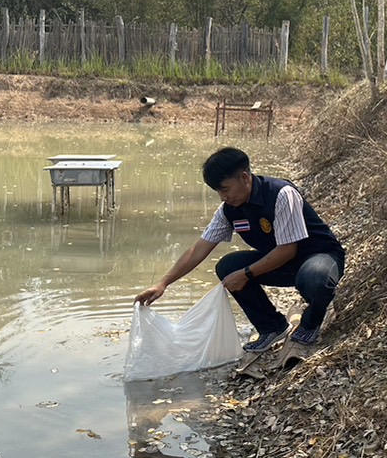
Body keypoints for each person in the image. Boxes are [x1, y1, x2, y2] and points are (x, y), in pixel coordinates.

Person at [134, 147, 346, 352]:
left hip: (320, 256)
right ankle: (272, 327)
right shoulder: (229, 210)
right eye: (218, 191)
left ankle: (311, 323)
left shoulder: (281, 194)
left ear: (244, 178)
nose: (222, 196)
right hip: (283, 262)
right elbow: (199, 248)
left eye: (225, 189)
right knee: (228, 266)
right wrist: (163, 283)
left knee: (315, 278)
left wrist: (247, 274)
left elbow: (288, 250)